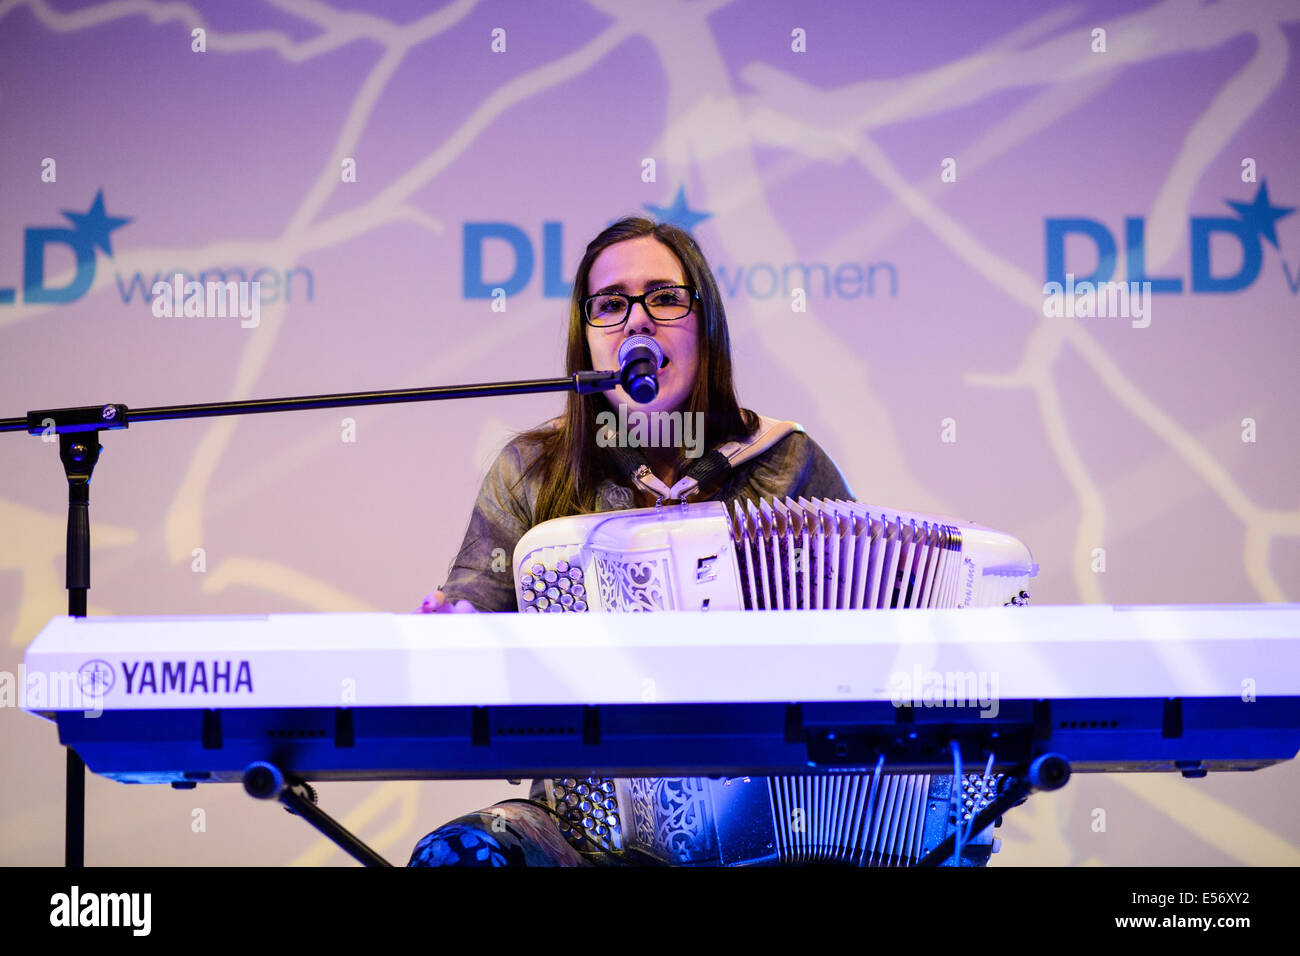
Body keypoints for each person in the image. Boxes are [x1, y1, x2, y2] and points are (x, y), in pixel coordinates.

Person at [409, 216, 853, 866]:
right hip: (578, 832)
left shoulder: (789, 466)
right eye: (611, 305)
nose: (636, 321)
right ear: (586, 342)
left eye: (664, 298)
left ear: (706, 328)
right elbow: (475, 603)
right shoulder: (533, 472)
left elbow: (872, 645)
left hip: (777, 830)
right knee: (465, 856)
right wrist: (458, 626)